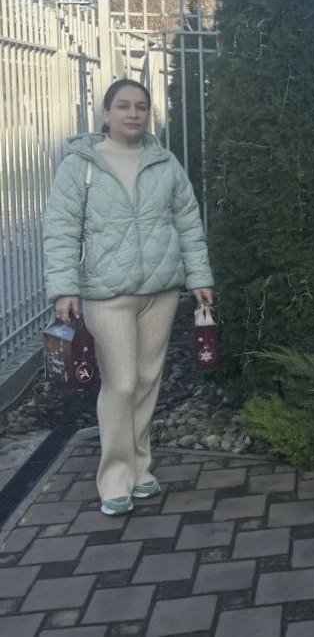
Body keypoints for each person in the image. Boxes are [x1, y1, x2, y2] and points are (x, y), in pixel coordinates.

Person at [43, 79, 214, 516]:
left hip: (160, 292)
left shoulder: (165, 162)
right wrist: (64, 288)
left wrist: (199, 275)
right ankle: (115, 476)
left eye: (141, 106)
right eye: (123, 106)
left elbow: (188, 221)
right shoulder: (80, 165)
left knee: (146, 380)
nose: (133, 113)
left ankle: (140, 468)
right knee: (119, 383)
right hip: (106, 294)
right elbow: (61, 229)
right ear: (106, 113)